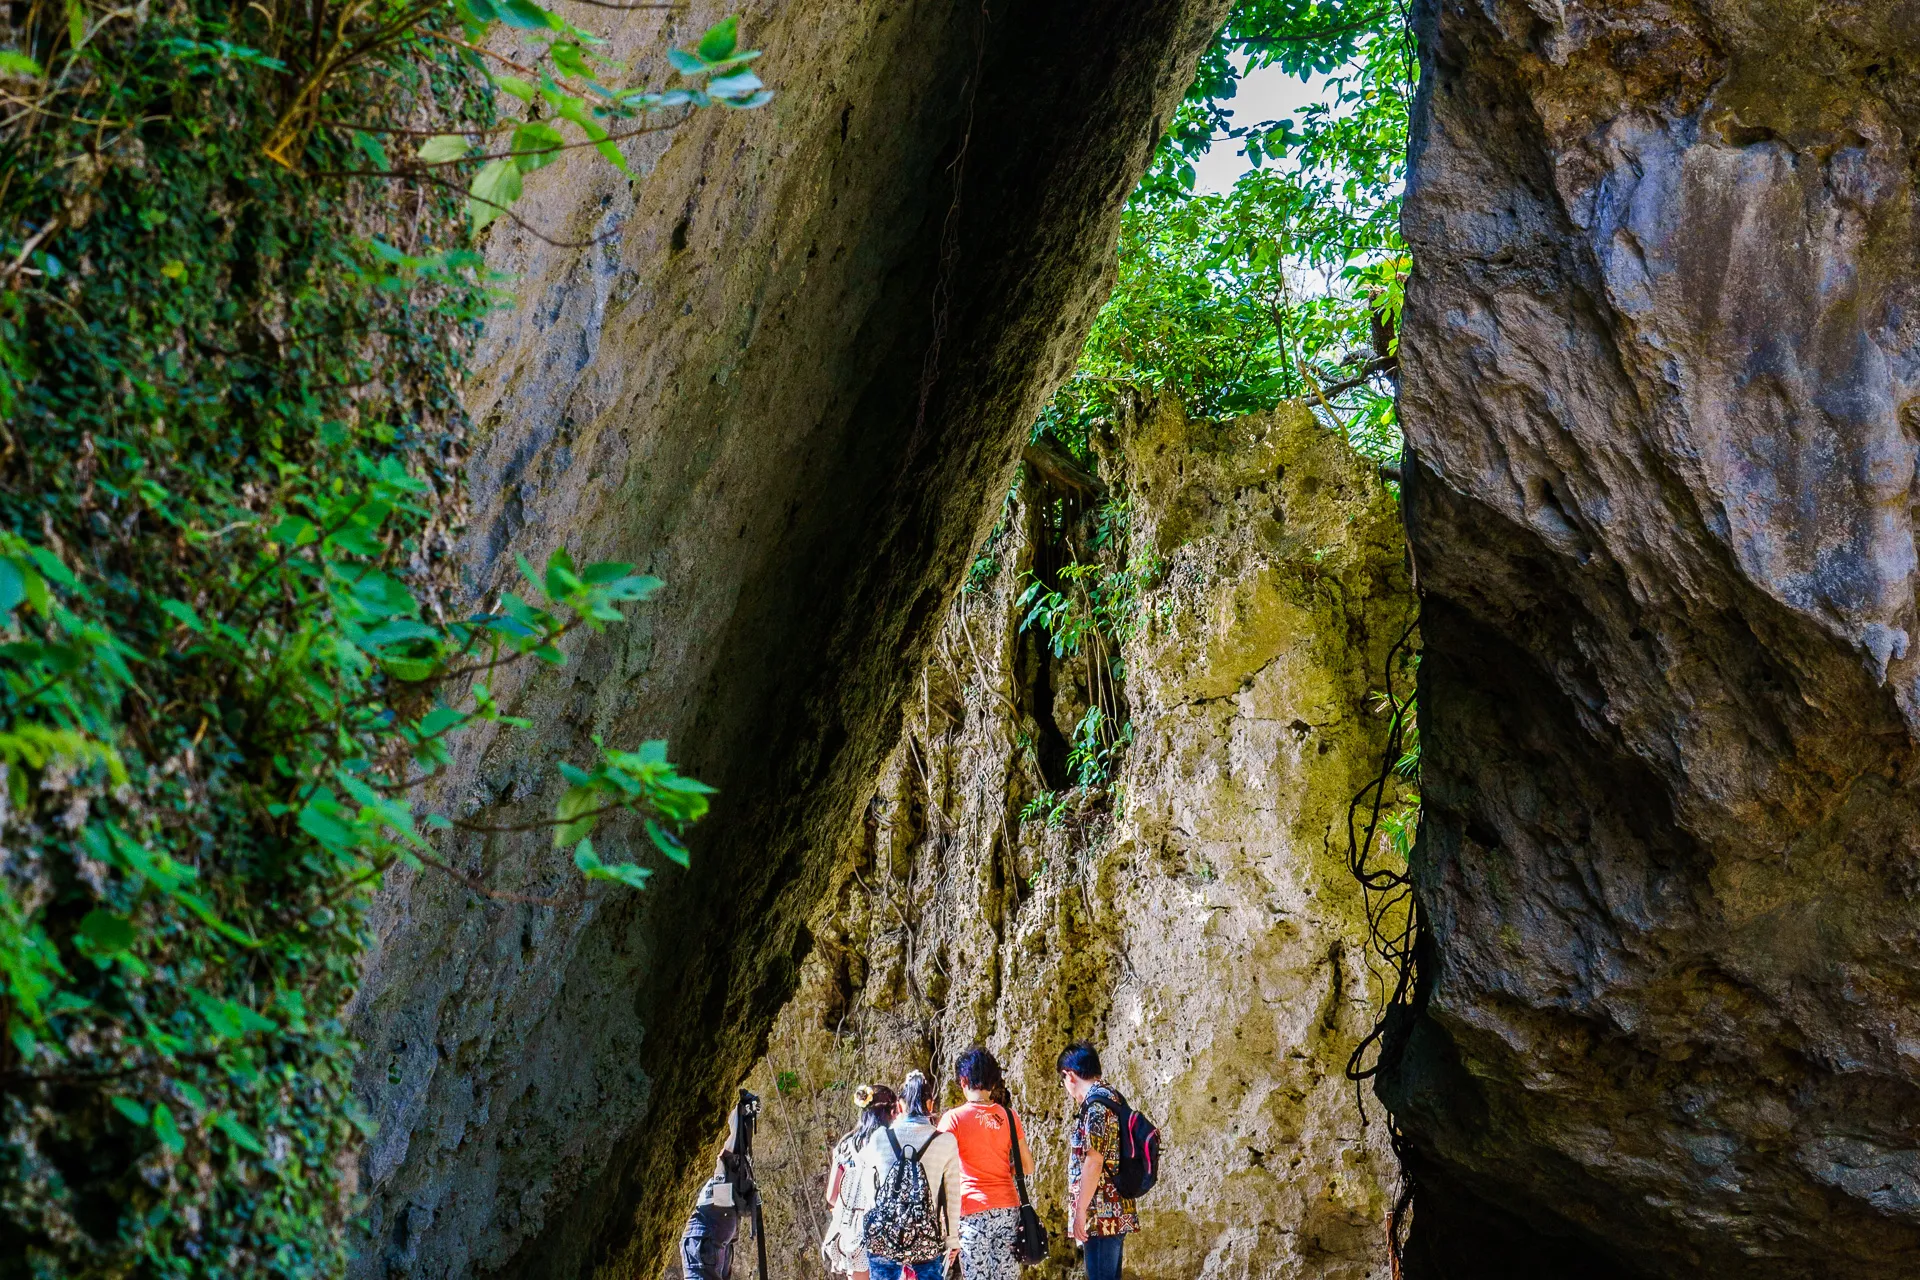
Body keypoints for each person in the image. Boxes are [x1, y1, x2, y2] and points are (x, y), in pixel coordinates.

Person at [853, 1070, 965, 1280]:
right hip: (926, 1237)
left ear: (900, 1105)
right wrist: (952, 1240)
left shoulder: (880, 1137)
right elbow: (952, 1195)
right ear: (930, 1104)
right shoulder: (945, 1141)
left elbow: (868, 1185)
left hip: (885, 1236)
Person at [937, 1047, 1035, 1280]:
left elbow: (937, 1169)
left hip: (972, 1212)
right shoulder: (1009, 1116)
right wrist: (1004, 1170)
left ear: (963, 1081)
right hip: (1008, 1209)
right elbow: (1028, 1166)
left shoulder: (953, 1119)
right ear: (993, 1082)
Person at [1058, 1042, 1138, 1280]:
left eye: (1063, 1080)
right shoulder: (1112, 1097)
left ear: (1069, 1075)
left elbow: (1094, 1162)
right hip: (1116, 1209)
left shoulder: (1095, 1107)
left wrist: (1080, 1211)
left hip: (1101, 1214)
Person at [822, 1083, 897, 1279]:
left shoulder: (846, 1145)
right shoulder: (892, 1145)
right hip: (883, 1232)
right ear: (890, 1111)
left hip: (851, 1233)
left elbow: (832, 1196)